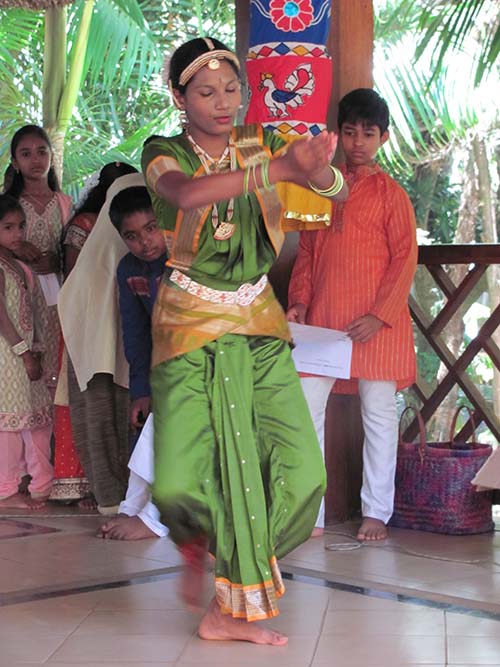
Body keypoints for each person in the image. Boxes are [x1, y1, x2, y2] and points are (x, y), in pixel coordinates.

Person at [141, 36, 348, 645]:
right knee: (179, 485)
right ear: (179, 97)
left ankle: (228, 589)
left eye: (232, 89)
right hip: (187, 324)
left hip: (257, 322)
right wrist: (280, 170)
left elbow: (333, 192)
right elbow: (184, 194)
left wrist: (317, 167)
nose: (223, 102)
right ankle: (206, 556)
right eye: (206, 92)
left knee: (304, 478)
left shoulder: (264, 141)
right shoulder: (163, 152)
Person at [287, 88, 418, 542]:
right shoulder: (321, 188)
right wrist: (299, 301)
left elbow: (405, 259)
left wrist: (379, 315)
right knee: (305, 408)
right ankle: (310, 514)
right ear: (337, 135)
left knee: (379, 414)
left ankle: (376, 513)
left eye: (368, 133)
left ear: (384, 138)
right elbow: (307, 251)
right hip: (324, 322)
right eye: (349, 132)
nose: (358, 142)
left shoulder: (392, 194)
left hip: (377, 327)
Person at [50, 162, 137, 506]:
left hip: (104, 361)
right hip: (112, 365)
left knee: (106, 423)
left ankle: (115, 499)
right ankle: (120, 499)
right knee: (114, 420)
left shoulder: (127, 254)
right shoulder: (116, 255)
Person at [97, 185, 168, 540]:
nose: (145, 241)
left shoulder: (186, 261)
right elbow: (137, 334)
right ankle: (135, 506)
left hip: (201, 363)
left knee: (173, 428)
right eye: (133, 236)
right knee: (146, 428)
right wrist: (141, 390)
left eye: (151, 228)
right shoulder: (129, 269)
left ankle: (157, 517)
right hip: (162, 367)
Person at [5, 125, 72, 390]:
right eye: (26, 154)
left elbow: (74, 249)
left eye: (41, 152)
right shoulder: (8, 205)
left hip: (55, 298)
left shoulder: (65, 203)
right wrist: (15, 249)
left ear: (51, 157)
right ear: (15, 162)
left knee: (54, 367)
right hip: (17, 297)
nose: (35, 160)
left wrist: (58, 261)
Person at [0, 195, 53, 509]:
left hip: (27, 352)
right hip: (8, 355)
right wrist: (24, 352)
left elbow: (32, 311)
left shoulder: (17, 265)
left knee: (37, 418)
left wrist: (38, 348)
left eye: (21, 226)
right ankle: (6, 490)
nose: (17, 233)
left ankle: (41, 485)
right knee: (9, 423)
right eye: (8, 227)